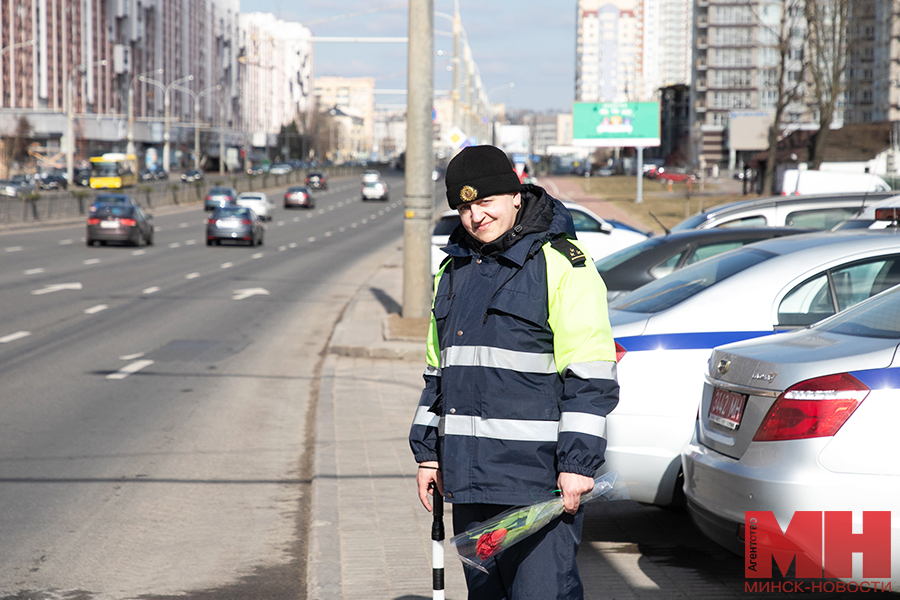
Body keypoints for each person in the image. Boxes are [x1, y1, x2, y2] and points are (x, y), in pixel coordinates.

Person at [409, 144, 619, 599]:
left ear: (516, 196)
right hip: (469, 481)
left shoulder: (562, 264)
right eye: (464, 207)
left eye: (485, 202)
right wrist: (428, 454)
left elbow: (591, 375)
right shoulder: (453, 270)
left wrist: (578, 464)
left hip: (536, 483)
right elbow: (437, 373)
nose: (475, 216)